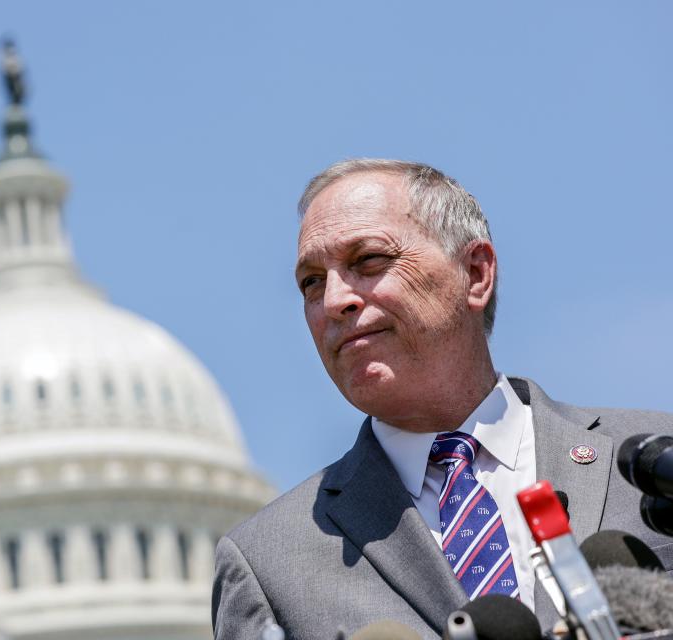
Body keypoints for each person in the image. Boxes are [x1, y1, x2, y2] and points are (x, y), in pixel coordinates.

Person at [212, 159, 673, 639]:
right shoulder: (267, 564)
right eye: (311, 282)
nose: (334, 301)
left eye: (367, 260)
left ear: (475, 273)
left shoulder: (655, 463)